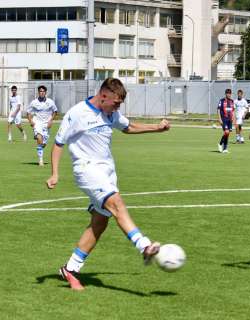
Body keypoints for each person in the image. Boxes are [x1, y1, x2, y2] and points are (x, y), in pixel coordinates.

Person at [46, 78, 170, 291]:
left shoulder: (110, 113)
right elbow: (58, 144)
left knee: (100, 222)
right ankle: (145, 246)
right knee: (116, 204)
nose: (117, 108)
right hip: (87, 170)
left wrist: (156, 128)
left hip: (107, 172)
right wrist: (55, 173)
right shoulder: (77, 114)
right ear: (103, 96)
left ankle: (70, 269)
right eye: (116, 103)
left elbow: (128, 126)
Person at [27, 85, 57, 166]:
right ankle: (40, 160)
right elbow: (28, 113)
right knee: (39, 138)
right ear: (38, 92)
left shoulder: (50, 102)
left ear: (45, 92)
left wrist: (51, 120)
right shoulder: (34, 102)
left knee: (43, 143)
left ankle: (40, 142)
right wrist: (31, 121)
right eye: (40, 91)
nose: (42, 93)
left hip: (46, 124)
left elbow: (55, 111)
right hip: (37, 122)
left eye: (43, 91)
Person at [217, 88, 235, 153]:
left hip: (230, 120)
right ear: (225, 94)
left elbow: (233, 110)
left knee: (227, 134)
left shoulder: (232, 101)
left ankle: (225, 149)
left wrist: (233, 118)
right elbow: (218, 110)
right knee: (226, 132)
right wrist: (219, 119)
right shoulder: (221, 101)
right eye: (227, 93)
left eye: (230, 93)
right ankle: (220, 144)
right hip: (224, 119)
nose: (229, 94)